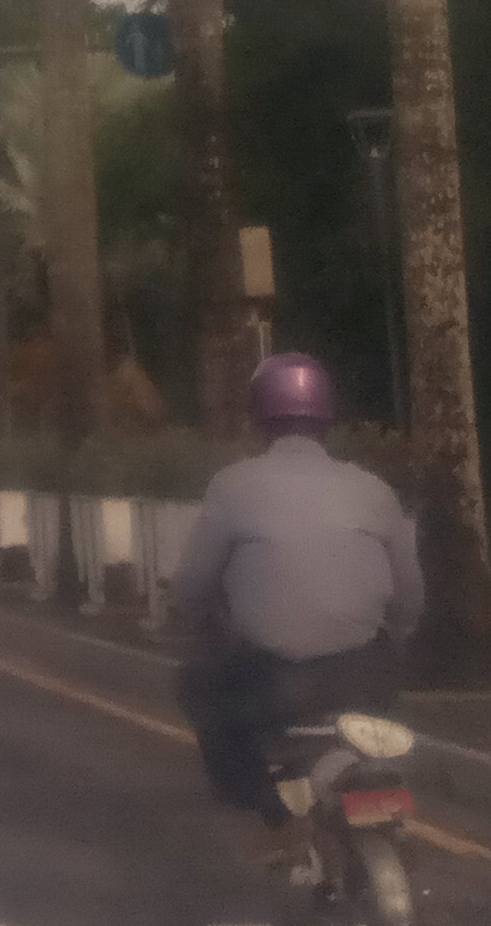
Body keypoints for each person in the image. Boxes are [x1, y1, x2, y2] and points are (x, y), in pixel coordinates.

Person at [169, 354, 419, 853]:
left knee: (197, 685)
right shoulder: (373, 488)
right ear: (328, 418)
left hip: (271, 682)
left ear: (258, 419)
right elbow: (409, 599)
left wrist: (191, 620)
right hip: (365, 677)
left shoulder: (233, 485)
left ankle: (267, 807)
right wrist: (394, 641)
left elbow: (192, 589)